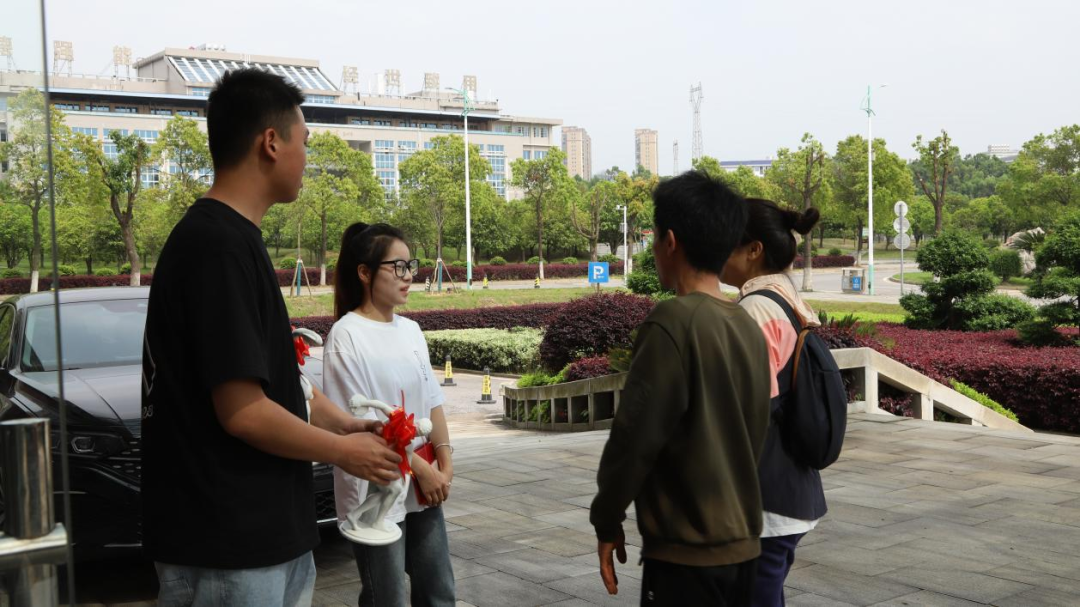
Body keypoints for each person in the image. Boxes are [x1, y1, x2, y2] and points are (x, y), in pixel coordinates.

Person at [142, 69, 402, 607]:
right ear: (271, 142)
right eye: (304, 141)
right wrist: (344, 451)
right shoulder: (216, 247)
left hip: (262, 535)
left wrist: (346, 424)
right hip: (229, 544)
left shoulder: (235, 240)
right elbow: (244, 412)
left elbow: (281, 385)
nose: (306, 157)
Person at [590, 171, 772, 606]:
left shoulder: (672, 322)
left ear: (670, 241)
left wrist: (607, 518)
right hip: (744, 547)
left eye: (653, 238)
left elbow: (634, 439)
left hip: (687, 556)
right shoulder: (746, 325)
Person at [323, 222, 456, 607]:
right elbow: (358, 424)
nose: (408, 275)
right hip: (376, 487)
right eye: (397, 267)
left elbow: (432, 401)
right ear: (365, 273)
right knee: (388, 597)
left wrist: (445, 462)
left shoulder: (411, 330)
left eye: (410, 265)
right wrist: (421, 468)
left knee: (439, 592)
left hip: (421, 483)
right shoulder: (346, 336)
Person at [720, 199, 827, 606]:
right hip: (785, 488)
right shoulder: (783, 298)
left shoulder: (757, 310)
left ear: (753, 250)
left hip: (764, 498)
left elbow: (749, 412)